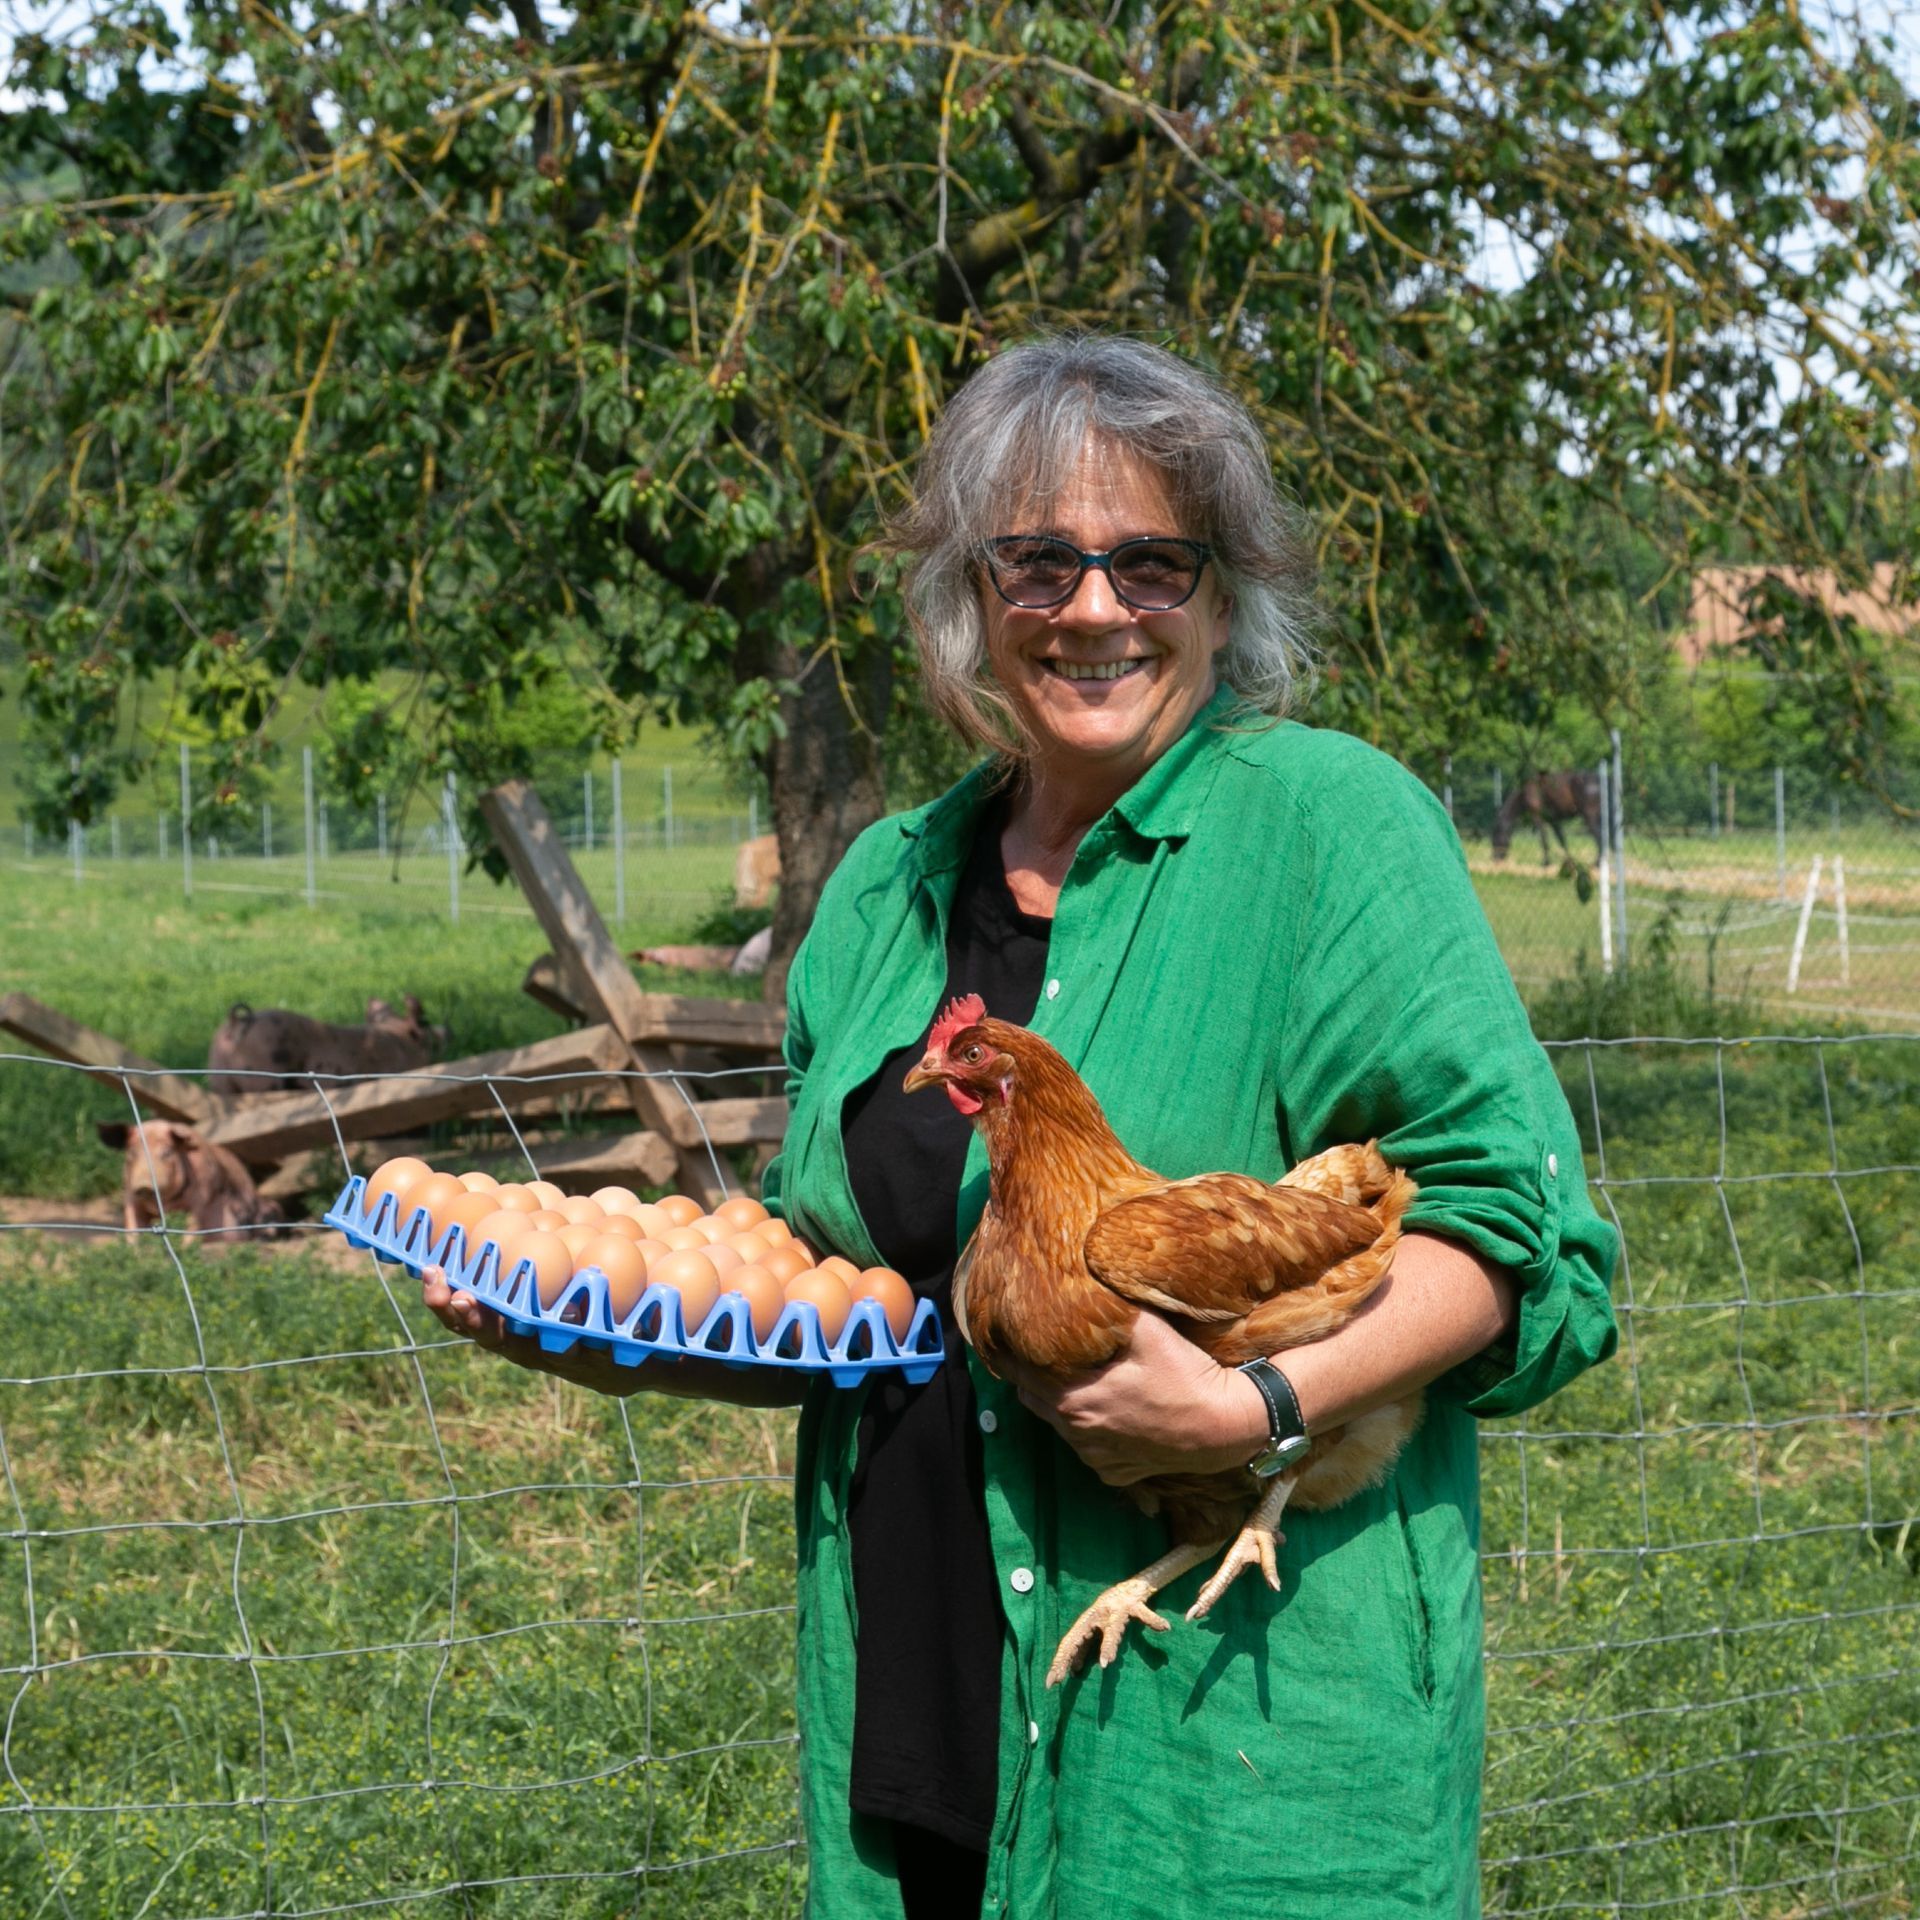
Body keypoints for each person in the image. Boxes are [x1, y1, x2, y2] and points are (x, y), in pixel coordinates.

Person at [424, 332, 1618, 1919]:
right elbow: (848, 1299)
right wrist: (611, 1335)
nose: (1096, 607)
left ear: (1225, 595)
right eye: (1039, 561)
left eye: (1152, 562)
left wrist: (1253, 1406)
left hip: (1225, 1759)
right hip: (920, 1717)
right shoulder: (886, 890)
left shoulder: (1332, 832)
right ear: (972, 598)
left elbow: (1524, 1245)